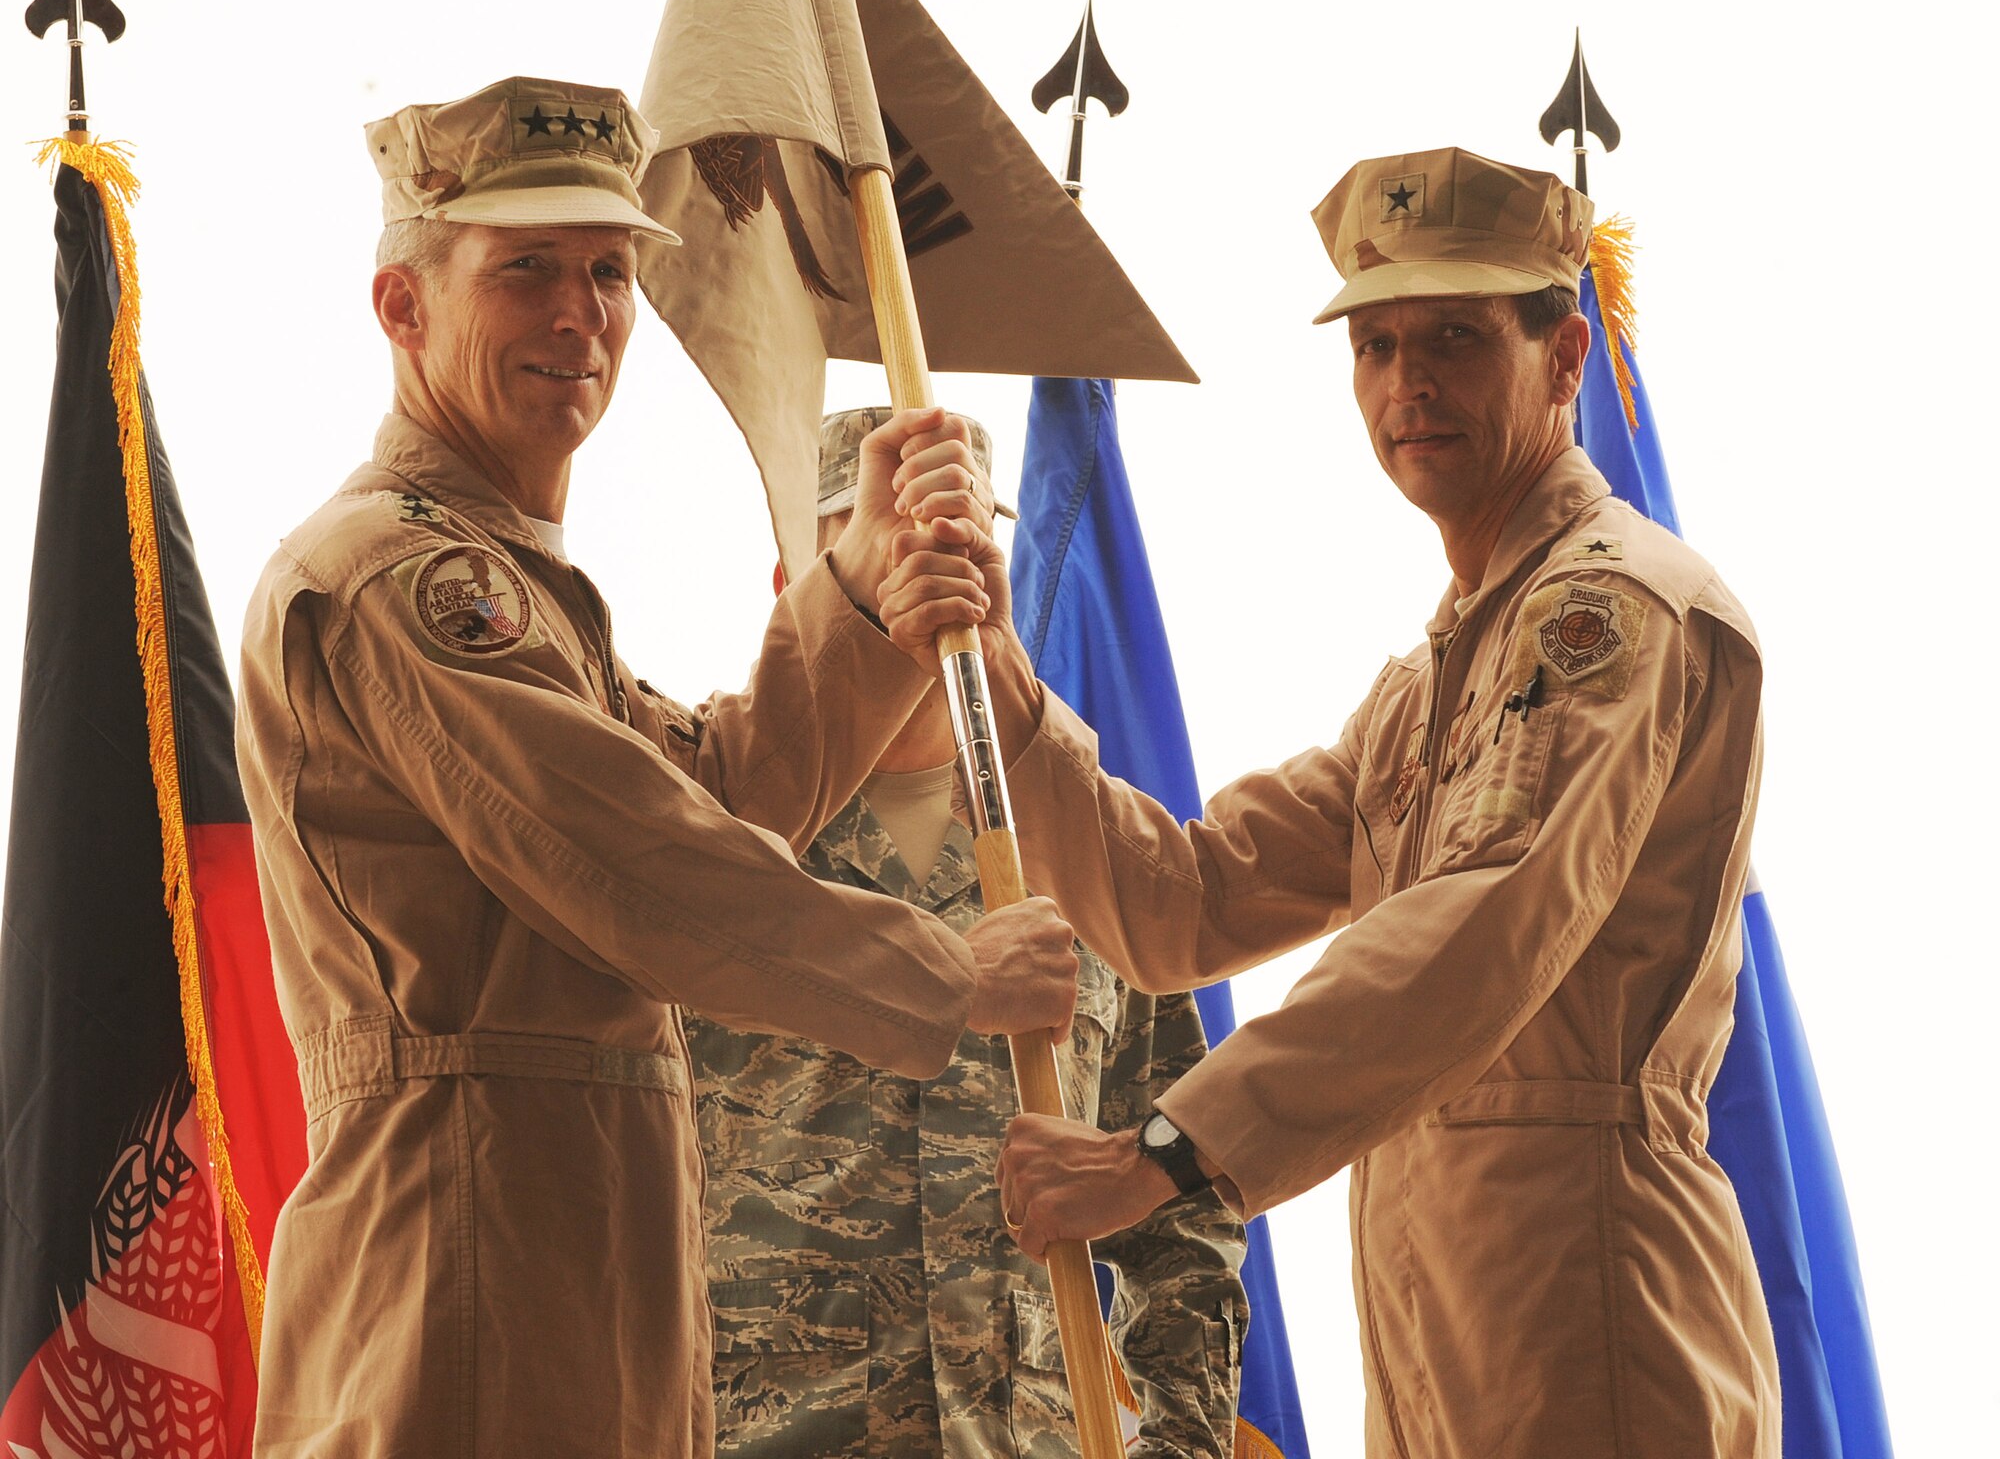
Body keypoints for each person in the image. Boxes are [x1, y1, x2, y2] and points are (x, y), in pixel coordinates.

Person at [234, 76, 1079, 1459]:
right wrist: (946, 971)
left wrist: (861, 597)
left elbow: (712, 794)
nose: (582, 314)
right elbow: (640, 866)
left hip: (572, 1278)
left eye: (611, 272)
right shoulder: (403, 577)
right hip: (462, 1279)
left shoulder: (515, 585)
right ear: (402, 306)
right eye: (526, 269)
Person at [985, 147, 1782, 1457]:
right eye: (1374, 344)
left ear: (1564, 358)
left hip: (1593, 1315)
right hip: (1433, 1330)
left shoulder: (1607, 611)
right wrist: (1005, 692)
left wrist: (1164, 1155)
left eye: (1454, 338)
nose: (1405, 383)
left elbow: (1476, 925)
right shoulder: (1428, 684)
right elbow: (1185, 902)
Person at [685, 409, 1246, 1459]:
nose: (922, 574)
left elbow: (1183, 1211)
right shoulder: (707, 826)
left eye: (951, 543)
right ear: (794, 584)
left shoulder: (1086, 851)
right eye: (877, 544)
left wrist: (1180, 1445)